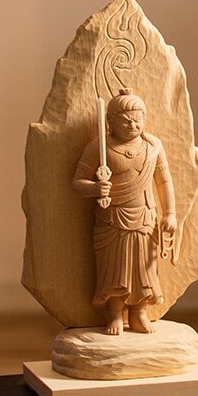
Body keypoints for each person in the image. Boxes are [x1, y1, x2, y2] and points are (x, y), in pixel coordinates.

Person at [72, 88, 177, 335]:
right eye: (126, 120)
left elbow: (164, 181)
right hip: (112, 219)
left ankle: (139, 312)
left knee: (143, 269)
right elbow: (77, 182)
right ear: (110, 122)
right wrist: (95, 188)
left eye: (138, 119)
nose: (133, 125)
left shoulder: (152, 146)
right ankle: (115, 314)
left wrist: (170, 213)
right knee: (115, 270)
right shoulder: (100, 147)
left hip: (144, 217)